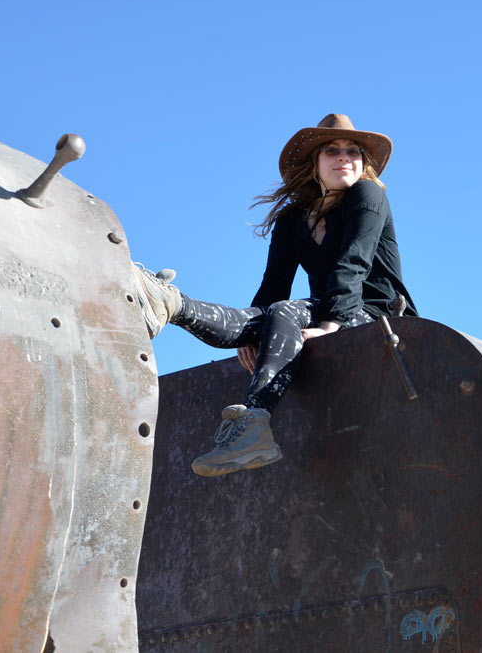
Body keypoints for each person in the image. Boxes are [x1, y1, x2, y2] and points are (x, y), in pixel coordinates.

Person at [133, 114, 416, 477]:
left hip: (376, 313)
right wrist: (256, 332)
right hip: (325, 310)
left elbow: (354, 260)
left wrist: (333, 324)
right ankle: (170, 303)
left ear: (364, 163)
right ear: (315, 163)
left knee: (284, 311)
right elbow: (273, 285)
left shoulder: (368, 194)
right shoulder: (293, 220)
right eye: (332, 151)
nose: (344, 158)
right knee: (273, 312)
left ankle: (256, 422)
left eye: (353, 152)